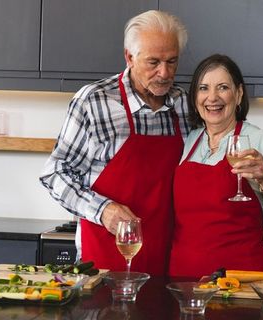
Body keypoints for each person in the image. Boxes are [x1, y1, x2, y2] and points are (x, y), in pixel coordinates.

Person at [39, 10, 189, 276]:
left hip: (168, 261)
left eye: (172, 61)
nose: (164, 73)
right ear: (129, 57)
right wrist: (103, 210)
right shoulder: (94, 101)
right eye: (153, 62)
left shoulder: (184, 104)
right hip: (105, 259)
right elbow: (55, 173)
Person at [168, 54, 263, 278]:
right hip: (184, 281)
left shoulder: (260, 141)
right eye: (203, 88)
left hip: (240, 281)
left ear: (238, 94)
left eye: (223, 87)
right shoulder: (188, 139)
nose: (212, 97)